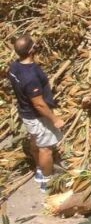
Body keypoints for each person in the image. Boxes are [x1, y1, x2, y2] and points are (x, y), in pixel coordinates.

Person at [8, 34, 65, 193]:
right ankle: (46, 181)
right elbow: (39, 104)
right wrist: (55, 119)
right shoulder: (31, 77)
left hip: (26, 114)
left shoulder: (14, 67)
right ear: (31, 50)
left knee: (35, 140)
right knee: (46, 148)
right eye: (34, 44)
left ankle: (39, 168)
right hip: (38, 116)